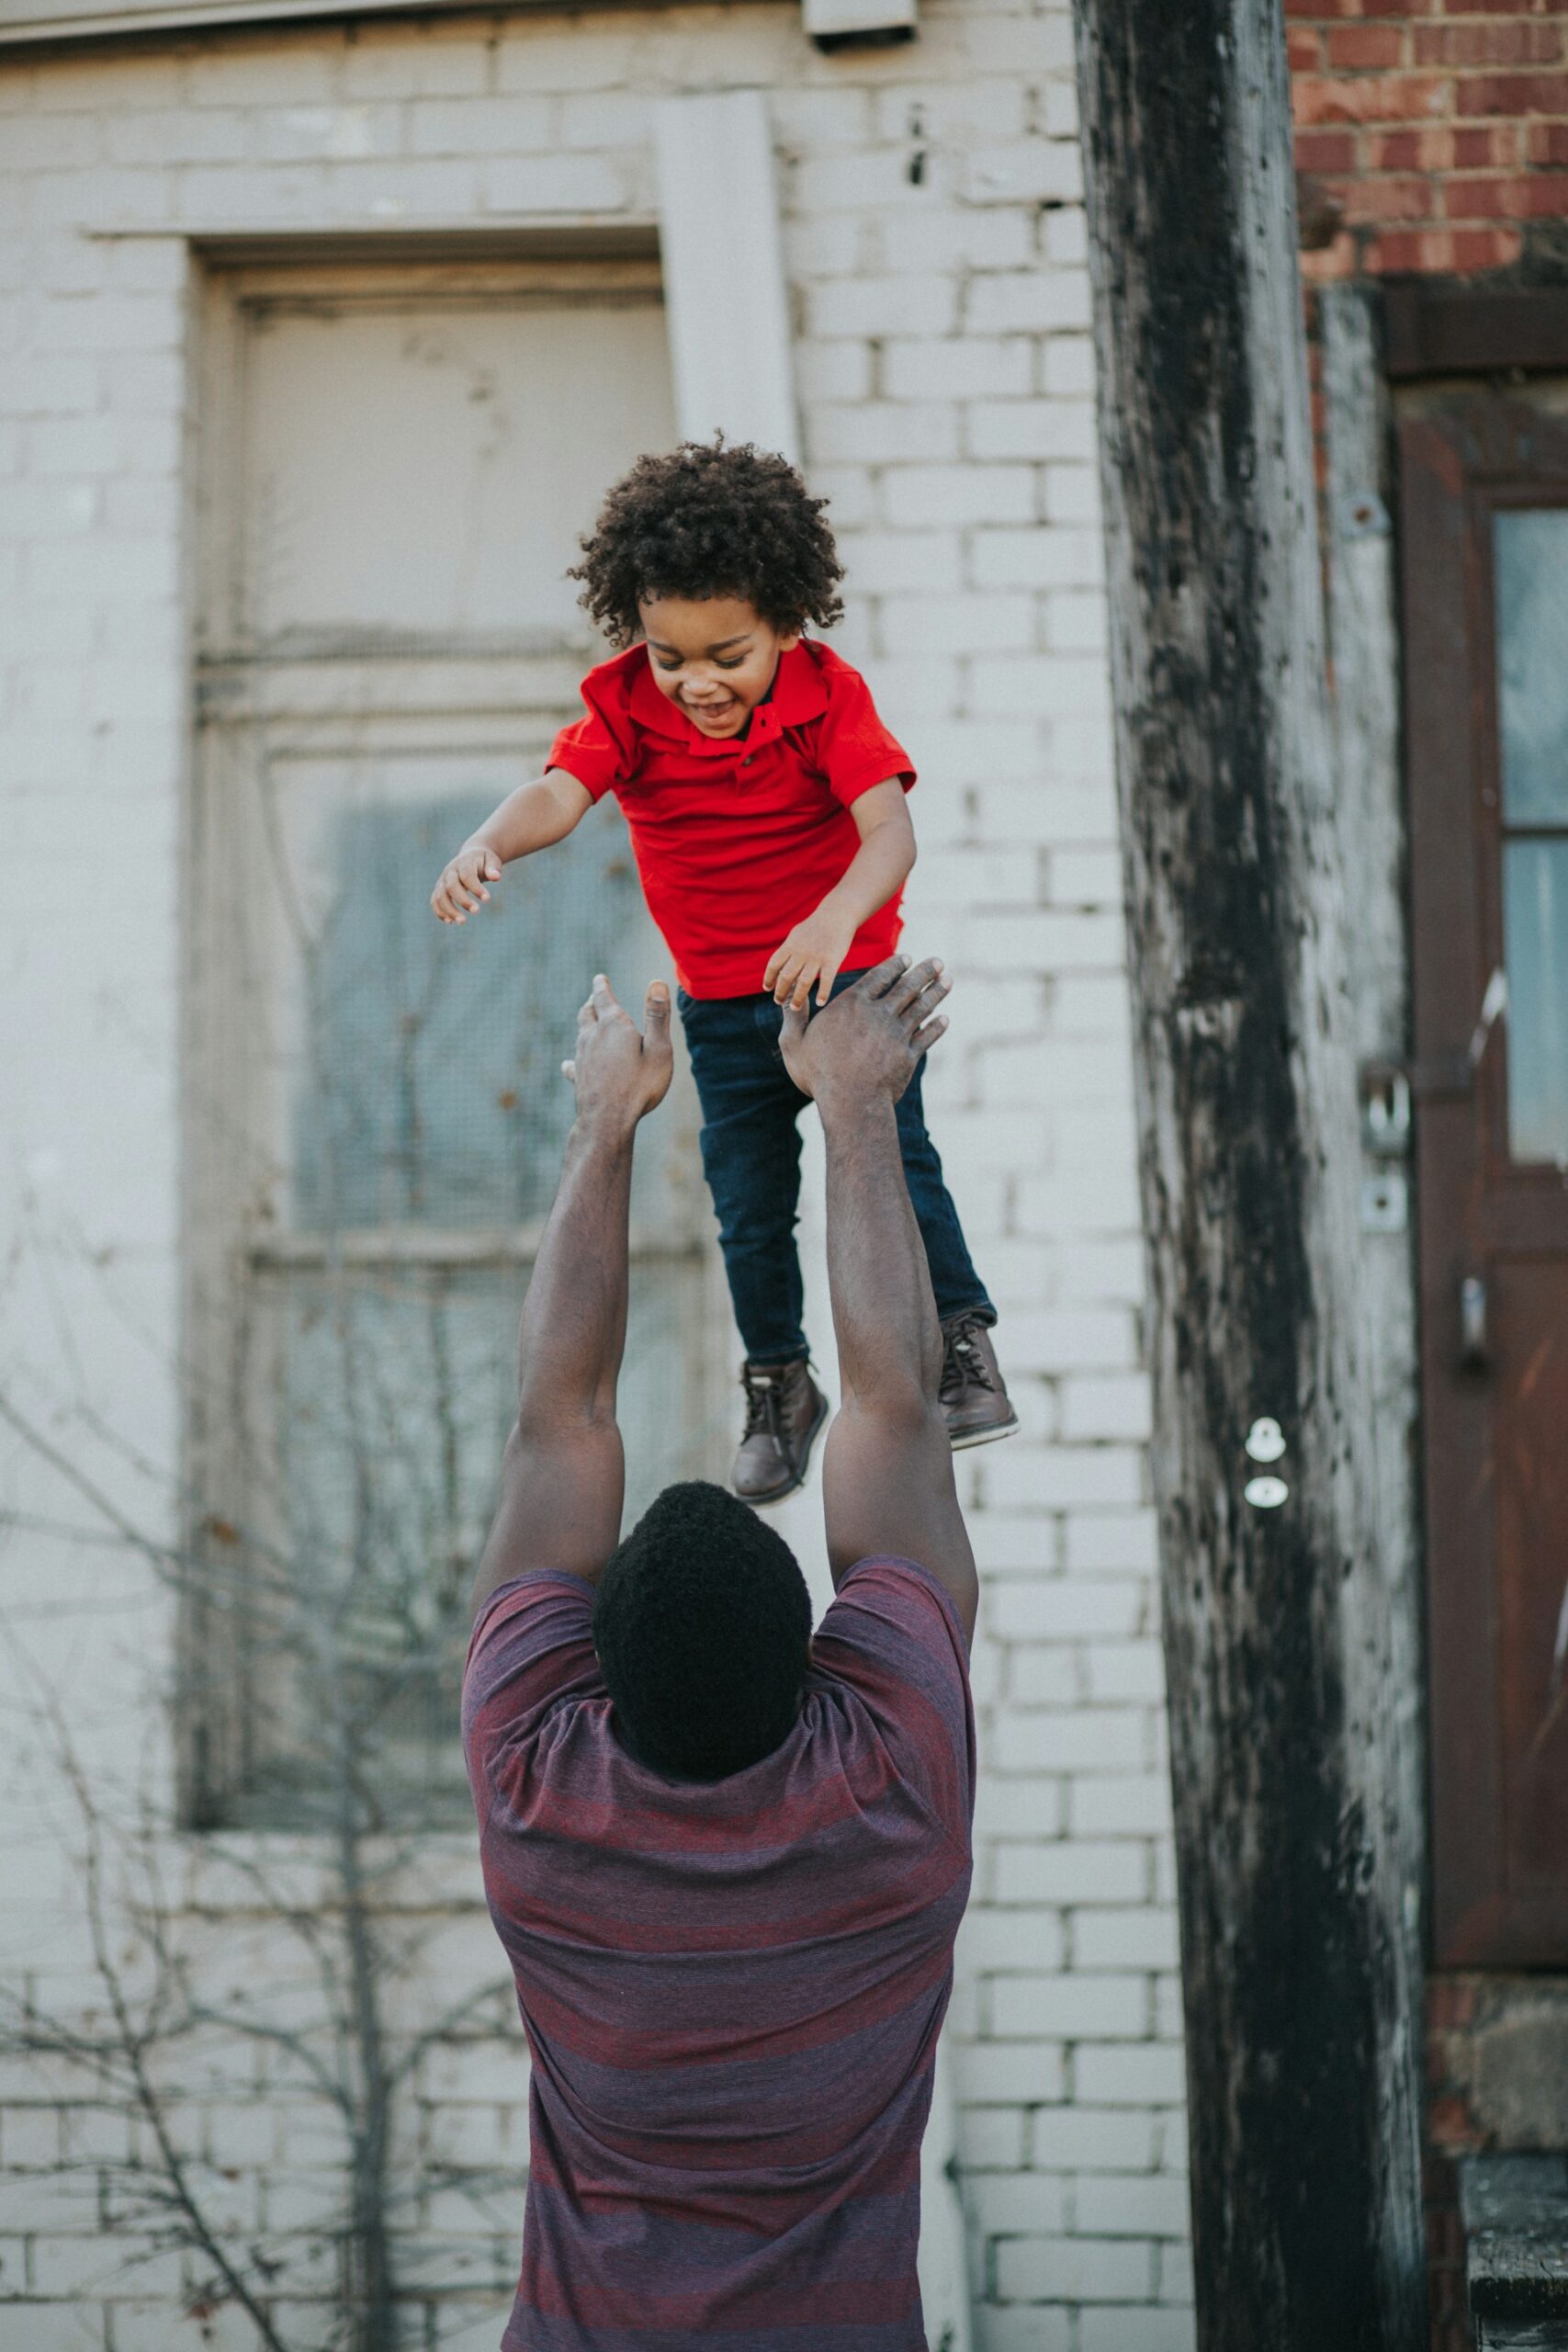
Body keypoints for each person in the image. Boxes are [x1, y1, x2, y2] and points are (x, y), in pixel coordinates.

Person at [462, 956, 979, 2352]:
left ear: (598, 1687)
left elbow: (554, 1422)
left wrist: (606, 1123)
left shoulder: (536, 1794)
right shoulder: (891, 1791)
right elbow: (893, 1410)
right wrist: (859, 1109)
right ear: (819, 1661)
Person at [432, 439, 1014, 1503]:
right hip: (721, 1001)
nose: (697, 681)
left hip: (845, 983)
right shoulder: (625, 707)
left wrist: (836, 922)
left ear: (788, 625)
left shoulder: (830, 701)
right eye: (671, 656)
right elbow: (559, 794)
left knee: (896, 1158)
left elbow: (889, 831)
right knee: (748, 1201)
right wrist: (489, 842)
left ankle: (961, 1342)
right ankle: (779, 1384)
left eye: (728, 655)